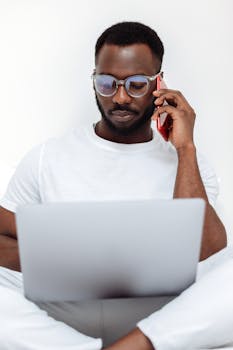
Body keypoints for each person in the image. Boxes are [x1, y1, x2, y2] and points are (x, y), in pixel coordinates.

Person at [0, 21, 231, 350]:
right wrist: (72, 260)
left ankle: (135, 344)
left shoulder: (189, 163)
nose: (120, 97)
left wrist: (185, 148)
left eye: (136, 84)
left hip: (162, 315)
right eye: (107, 83)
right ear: (94, 81)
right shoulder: (46, 156)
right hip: (66, 315)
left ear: (159, 84)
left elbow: (209, 255)